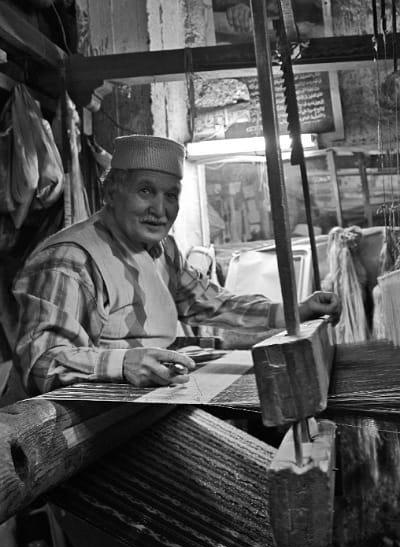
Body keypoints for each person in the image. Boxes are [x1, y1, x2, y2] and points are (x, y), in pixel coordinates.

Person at [12, 134, 340, 396]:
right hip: (70, 431)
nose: (160, 209)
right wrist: (123, 364)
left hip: (146, 404)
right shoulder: (69, 260)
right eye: (145, 191)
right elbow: (41, 361)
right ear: (112, 192)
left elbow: (212, 302)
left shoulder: (161, 249)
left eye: (171, 195)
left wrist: (297, 310)